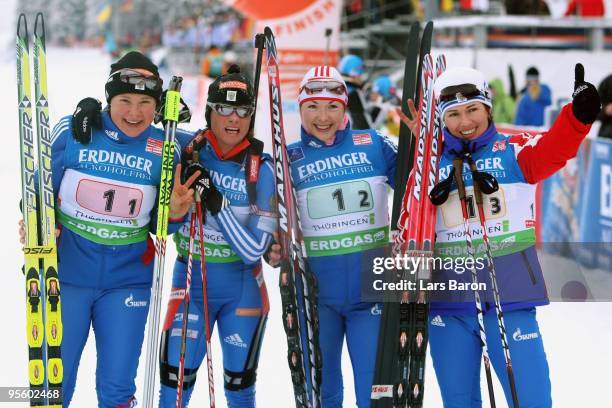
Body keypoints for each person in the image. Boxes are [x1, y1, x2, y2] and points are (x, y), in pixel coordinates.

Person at [400, 64, 599, 407]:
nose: (465, 122)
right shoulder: (426, 164)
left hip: (510, 300)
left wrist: (576, 119)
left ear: (488, 107)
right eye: (454, 114)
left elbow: (553, 151)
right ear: (441, 119)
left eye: (473, 110)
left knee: (532, 399)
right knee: (459, 401)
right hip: (448, 305)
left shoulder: (514, 151)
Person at [18, 51, 198, 407]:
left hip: (127, 280)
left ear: (158, 105)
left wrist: (177, 212)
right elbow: (36, 190)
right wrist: (37, 221)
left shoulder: (166, 148)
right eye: (125, 101)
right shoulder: (75, 130)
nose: (134, 113)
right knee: (53, 386)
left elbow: (162, 224)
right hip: (65, 275)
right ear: (109, 98)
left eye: (146, 102)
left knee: (117, 388)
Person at [158, 65, 277, 407]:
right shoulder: (186, 148)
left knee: (239, 388)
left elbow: (254, 251)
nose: (233, 118)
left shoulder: (261, 169)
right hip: (190, 279)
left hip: (242, 288)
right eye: (224, 108)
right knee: (173, 384)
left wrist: (215, 202)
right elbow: (144, 132)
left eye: (243, 111)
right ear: (210, 110)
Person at [283, 66, 400, 407]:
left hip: (372, 292)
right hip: (318, 296)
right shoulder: (288, 158)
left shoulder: (374, 144)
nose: (323, 117)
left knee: (375, 392)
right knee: (324, 391)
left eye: (332, 106)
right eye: (313, 107)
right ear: (300, 108)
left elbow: (415, 189)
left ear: (345, 106)